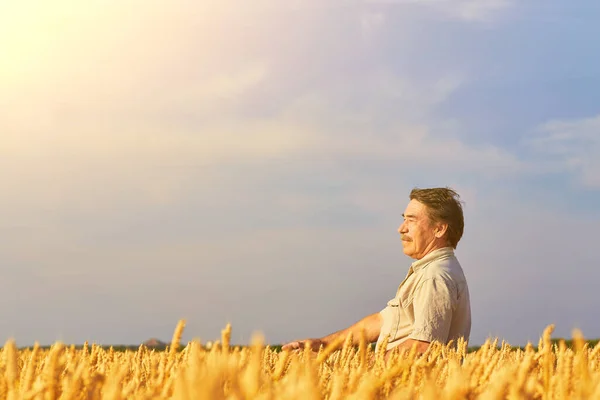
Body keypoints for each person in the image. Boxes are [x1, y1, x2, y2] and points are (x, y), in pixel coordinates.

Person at [281, 187, 471, 358]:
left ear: (439, 229)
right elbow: (381, 322)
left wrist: (365, 366)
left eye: (411, 221)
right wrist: (323, 345)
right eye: (403, 219)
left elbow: (424, 345)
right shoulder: (429, 271)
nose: (401, 228)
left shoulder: (435, 276)